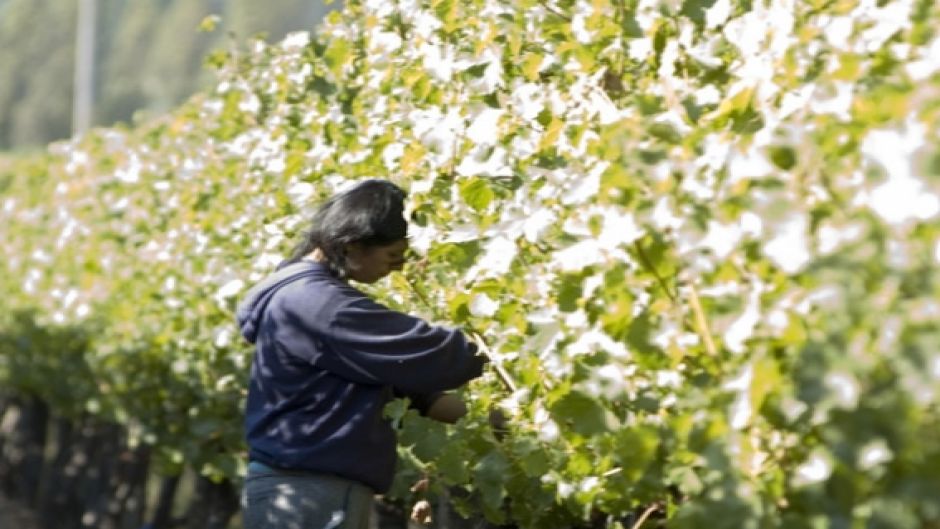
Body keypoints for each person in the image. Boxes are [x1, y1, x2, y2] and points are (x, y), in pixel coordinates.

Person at [236, 179, 485, 529]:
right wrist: (499, 347)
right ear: (352, 246)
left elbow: (408, 389)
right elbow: (431, 353)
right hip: (311, 492)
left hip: (299, 489)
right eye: (393, 256)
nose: (398, 268)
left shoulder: (304, 297)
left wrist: (499, 425)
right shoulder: (319, 303)